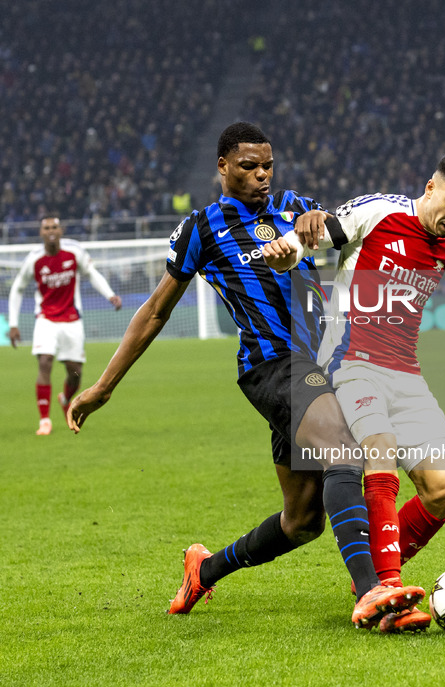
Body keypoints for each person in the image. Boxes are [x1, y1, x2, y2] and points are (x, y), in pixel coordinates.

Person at [67, 122, 424, 629]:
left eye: (267, 166)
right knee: (345, 450)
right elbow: (153, 313)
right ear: (222, 167)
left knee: (301, 522)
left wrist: (320, 219)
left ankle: (204, 569)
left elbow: (340, 234)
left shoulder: (295, 206)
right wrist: (103, 387)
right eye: (248, 166)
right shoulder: (202, 229)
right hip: (271, 366)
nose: (262, 175)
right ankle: (373, 595)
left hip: (321, 364)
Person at [263, 149, 445, 632]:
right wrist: (288, 251)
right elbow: (318, 235)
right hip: (350, 362)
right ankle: (382, 590)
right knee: (378, 451)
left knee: (443, 489)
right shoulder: (382, 211)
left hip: (406, 373)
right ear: (430, 187)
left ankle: (378, 569)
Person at [8, 215, 122, 435]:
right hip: (45, 319)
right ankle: (44, 420)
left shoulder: (74, 252)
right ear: (41, 233)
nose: (51, 230)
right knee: (45, 362)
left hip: (72, 319)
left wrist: (110, 295)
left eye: (55, 227)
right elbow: (18, 288)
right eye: (46, 227)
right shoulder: (34, 259)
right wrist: (13, 323)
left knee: (75, 372)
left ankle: (65, 398)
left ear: (61, 231)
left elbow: (92, 274)